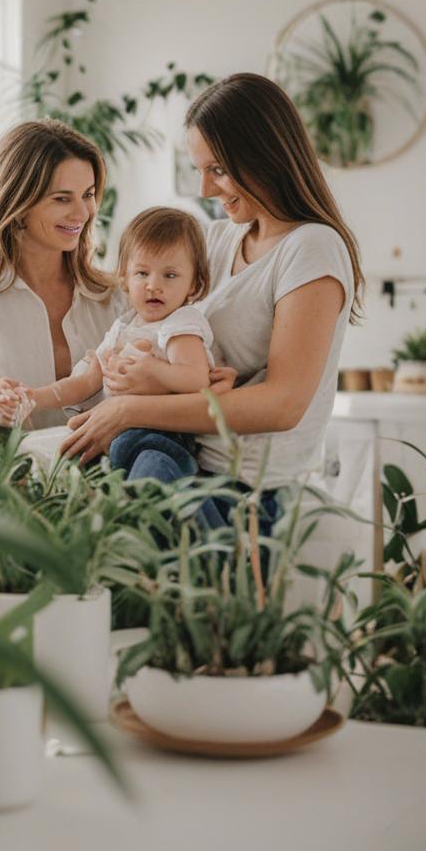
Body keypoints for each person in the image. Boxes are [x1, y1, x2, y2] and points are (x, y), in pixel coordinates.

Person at [61, 72, 363, 526]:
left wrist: (128, 409)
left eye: (217, 170)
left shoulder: (311, 248)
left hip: (244, 492)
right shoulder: (217, 239)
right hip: (182, 460)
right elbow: (148, 305)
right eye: (199, 170)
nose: (204, 190)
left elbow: (282, 404)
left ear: (265, 155)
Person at [0, 119, 124, 430]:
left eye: (88, 194)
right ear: (17, 203)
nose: (83, 213)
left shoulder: (114, 296)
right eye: (62, 199)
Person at [26, 206, 224, 484]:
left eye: (169, 275)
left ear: (194, 284)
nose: (153, 285)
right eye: (142, 273)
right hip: (115, 434)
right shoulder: (122, 327)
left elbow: (196, 379)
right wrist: (34, 397)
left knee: (151, 471)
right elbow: (86, 382)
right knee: (59, 460)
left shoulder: (180, 325)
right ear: (125, 279)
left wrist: (152, 368)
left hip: (160, 434)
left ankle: (158, 501)